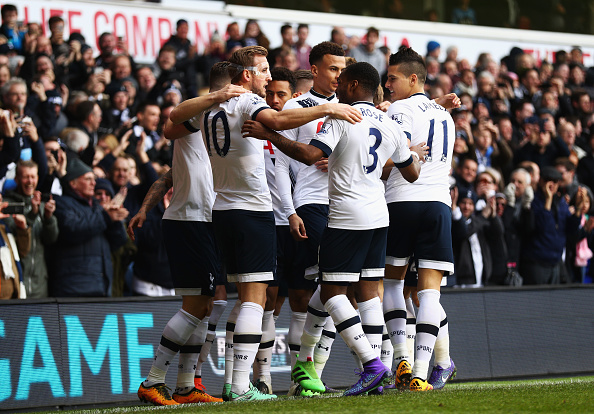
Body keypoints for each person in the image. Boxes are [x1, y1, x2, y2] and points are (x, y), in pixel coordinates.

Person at [169, 45, 361, 402]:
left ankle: (234, 382)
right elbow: (278, 121)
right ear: (246, 76)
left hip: (222, 210)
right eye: (262, 71)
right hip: (252, 211)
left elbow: (175, 116)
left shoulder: (210, 109)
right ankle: (239, 385)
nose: (268, 77)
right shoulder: (244, 103)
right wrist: (329, 107)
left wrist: (214, 94)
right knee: (256, 301)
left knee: (245, 301)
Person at [241, 61, 421, 396]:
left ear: (354, 86)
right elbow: (411, 173)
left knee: (331, 292)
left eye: (343, 81)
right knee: (368, 294)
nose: (337, 85)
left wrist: (270, 134)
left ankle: (371, 364)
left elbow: (309, 154)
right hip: (379, 217)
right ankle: (339, 366)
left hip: (346, 217)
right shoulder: (391, 124)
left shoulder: (341, 115)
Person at [130, 63, 245, 406]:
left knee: (208, 303)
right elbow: (170, 125)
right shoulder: (203, 113)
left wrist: (145, 207)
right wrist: (217, 97)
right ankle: (153, 381)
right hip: (190, 220)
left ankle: (185, 386)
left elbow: (170, 174)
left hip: (205, 220)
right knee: (197, 304)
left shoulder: (220, 125)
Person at [383, 47, 456, 391]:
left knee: (393, 283)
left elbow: (393, 157)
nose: (387, 84)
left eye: (392, 78)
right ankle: (422, 376)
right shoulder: (445, 114)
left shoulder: (399, 108)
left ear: (413, 78)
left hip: (403, 201)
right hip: (439, 203)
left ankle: (401, 357)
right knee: (429, 294)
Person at [273, 42, 345, 391]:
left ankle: (310, 373)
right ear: (314, 69)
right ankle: (300, 376)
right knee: (304, 296)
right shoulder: (295, 106)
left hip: (345, 207)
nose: (338, 76)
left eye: (343, 70)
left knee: (332, 289)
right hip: (310, 205)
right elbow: (281, 165)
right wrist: (290, 211)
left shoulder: (350, 108)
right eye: (333, 69)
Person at [49, 158, 128, 297]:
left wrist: (115, 220)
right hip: (74, 286)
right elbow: (72, 229)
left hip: (102, 284)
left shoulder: (97, 207)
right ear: (73, 183)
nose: (94, 183)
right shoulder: (62, 203)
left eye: (94, 179)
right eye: (88, 179)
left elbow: (119, 242)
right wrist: (106, 217)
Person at [3, 160, 58, 298]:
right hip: (17, 279)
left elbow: (51, 239)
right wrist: (32, 215)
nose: (30, 181)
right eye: (25, 177)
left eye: (33, 177)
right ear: (16, 179)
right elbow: (15, 234)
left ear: (38, 178)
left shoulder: (42, 206)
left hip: (39, 282)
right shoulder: (7, 205)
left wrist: (48, 217)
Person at [520, 166, 581, 284]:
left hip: (556, 261)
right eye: (548, 180)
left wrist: (577, 210)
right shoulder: (533, 201)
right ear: (541, 181)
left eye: (555, 182)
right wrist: (548, 201)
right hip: (536, 261)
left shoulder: (561, 202)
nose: (552, 185)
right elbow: (542, 227)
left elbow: (570, 229)